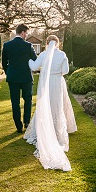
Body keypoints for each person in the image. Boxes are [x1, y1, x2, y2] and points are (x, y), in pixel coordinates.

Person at [24, 35, 77, 171]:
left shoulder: (43, 54)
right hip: (57, 83)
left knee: (45, 105)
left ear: (47, 43)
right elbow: (65, 71)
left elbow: (34, 66)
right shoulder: (62, 54)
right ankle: (57, 131)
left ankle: (41, 129)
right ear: (58, 43)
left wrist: (29, 59)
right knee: (57, 105)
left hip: (46, 85)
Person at [2, 24, 37, 133]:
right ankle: (26, 122)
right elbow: (35, 59)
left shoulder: (6, 45)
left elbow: (4, 63)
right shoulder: (28, 45)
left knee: (15, 102)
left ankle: (18, 126)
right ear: (22, 33)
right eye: (26, 33)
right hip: (26, 77)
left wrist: (9, 73)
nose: (27, 35)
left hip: (13, 78)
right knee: (28, 100)